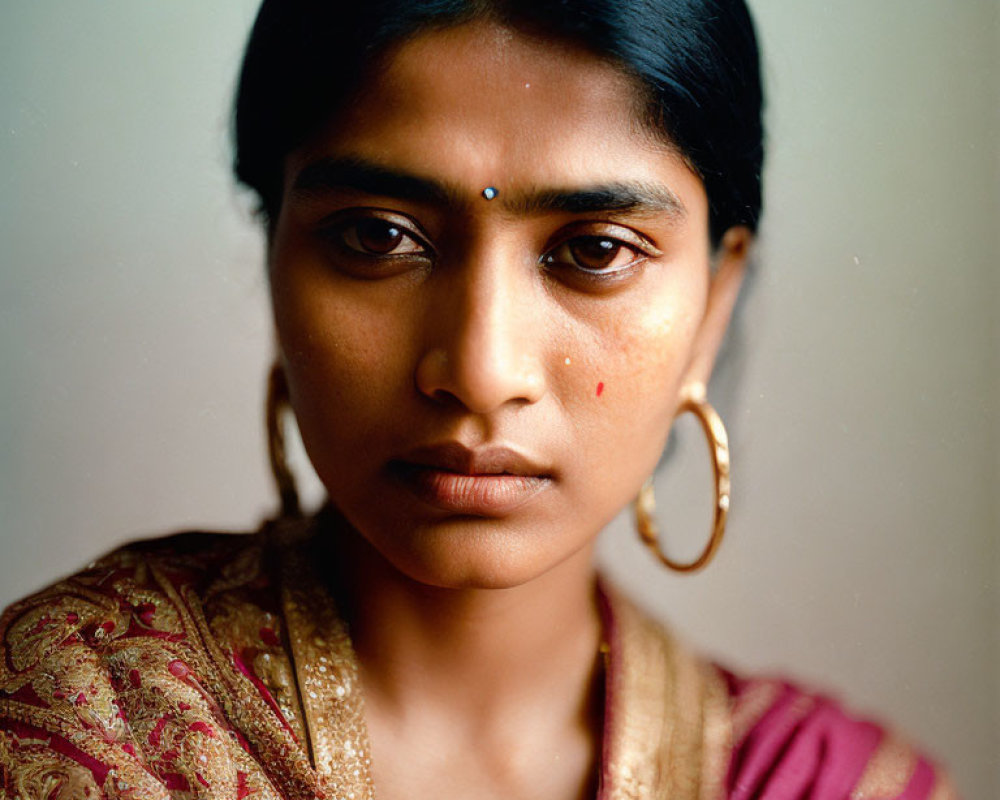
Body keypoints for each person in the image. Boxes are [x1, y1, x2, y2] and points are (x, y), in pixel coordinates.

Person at [0, 1, 958, 798]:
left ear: (712, 304)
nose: (479, 368)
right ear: (275, 256)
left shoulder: (823, 783)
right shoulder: (72, 725)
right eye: (378, 237)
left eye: (595, 250)